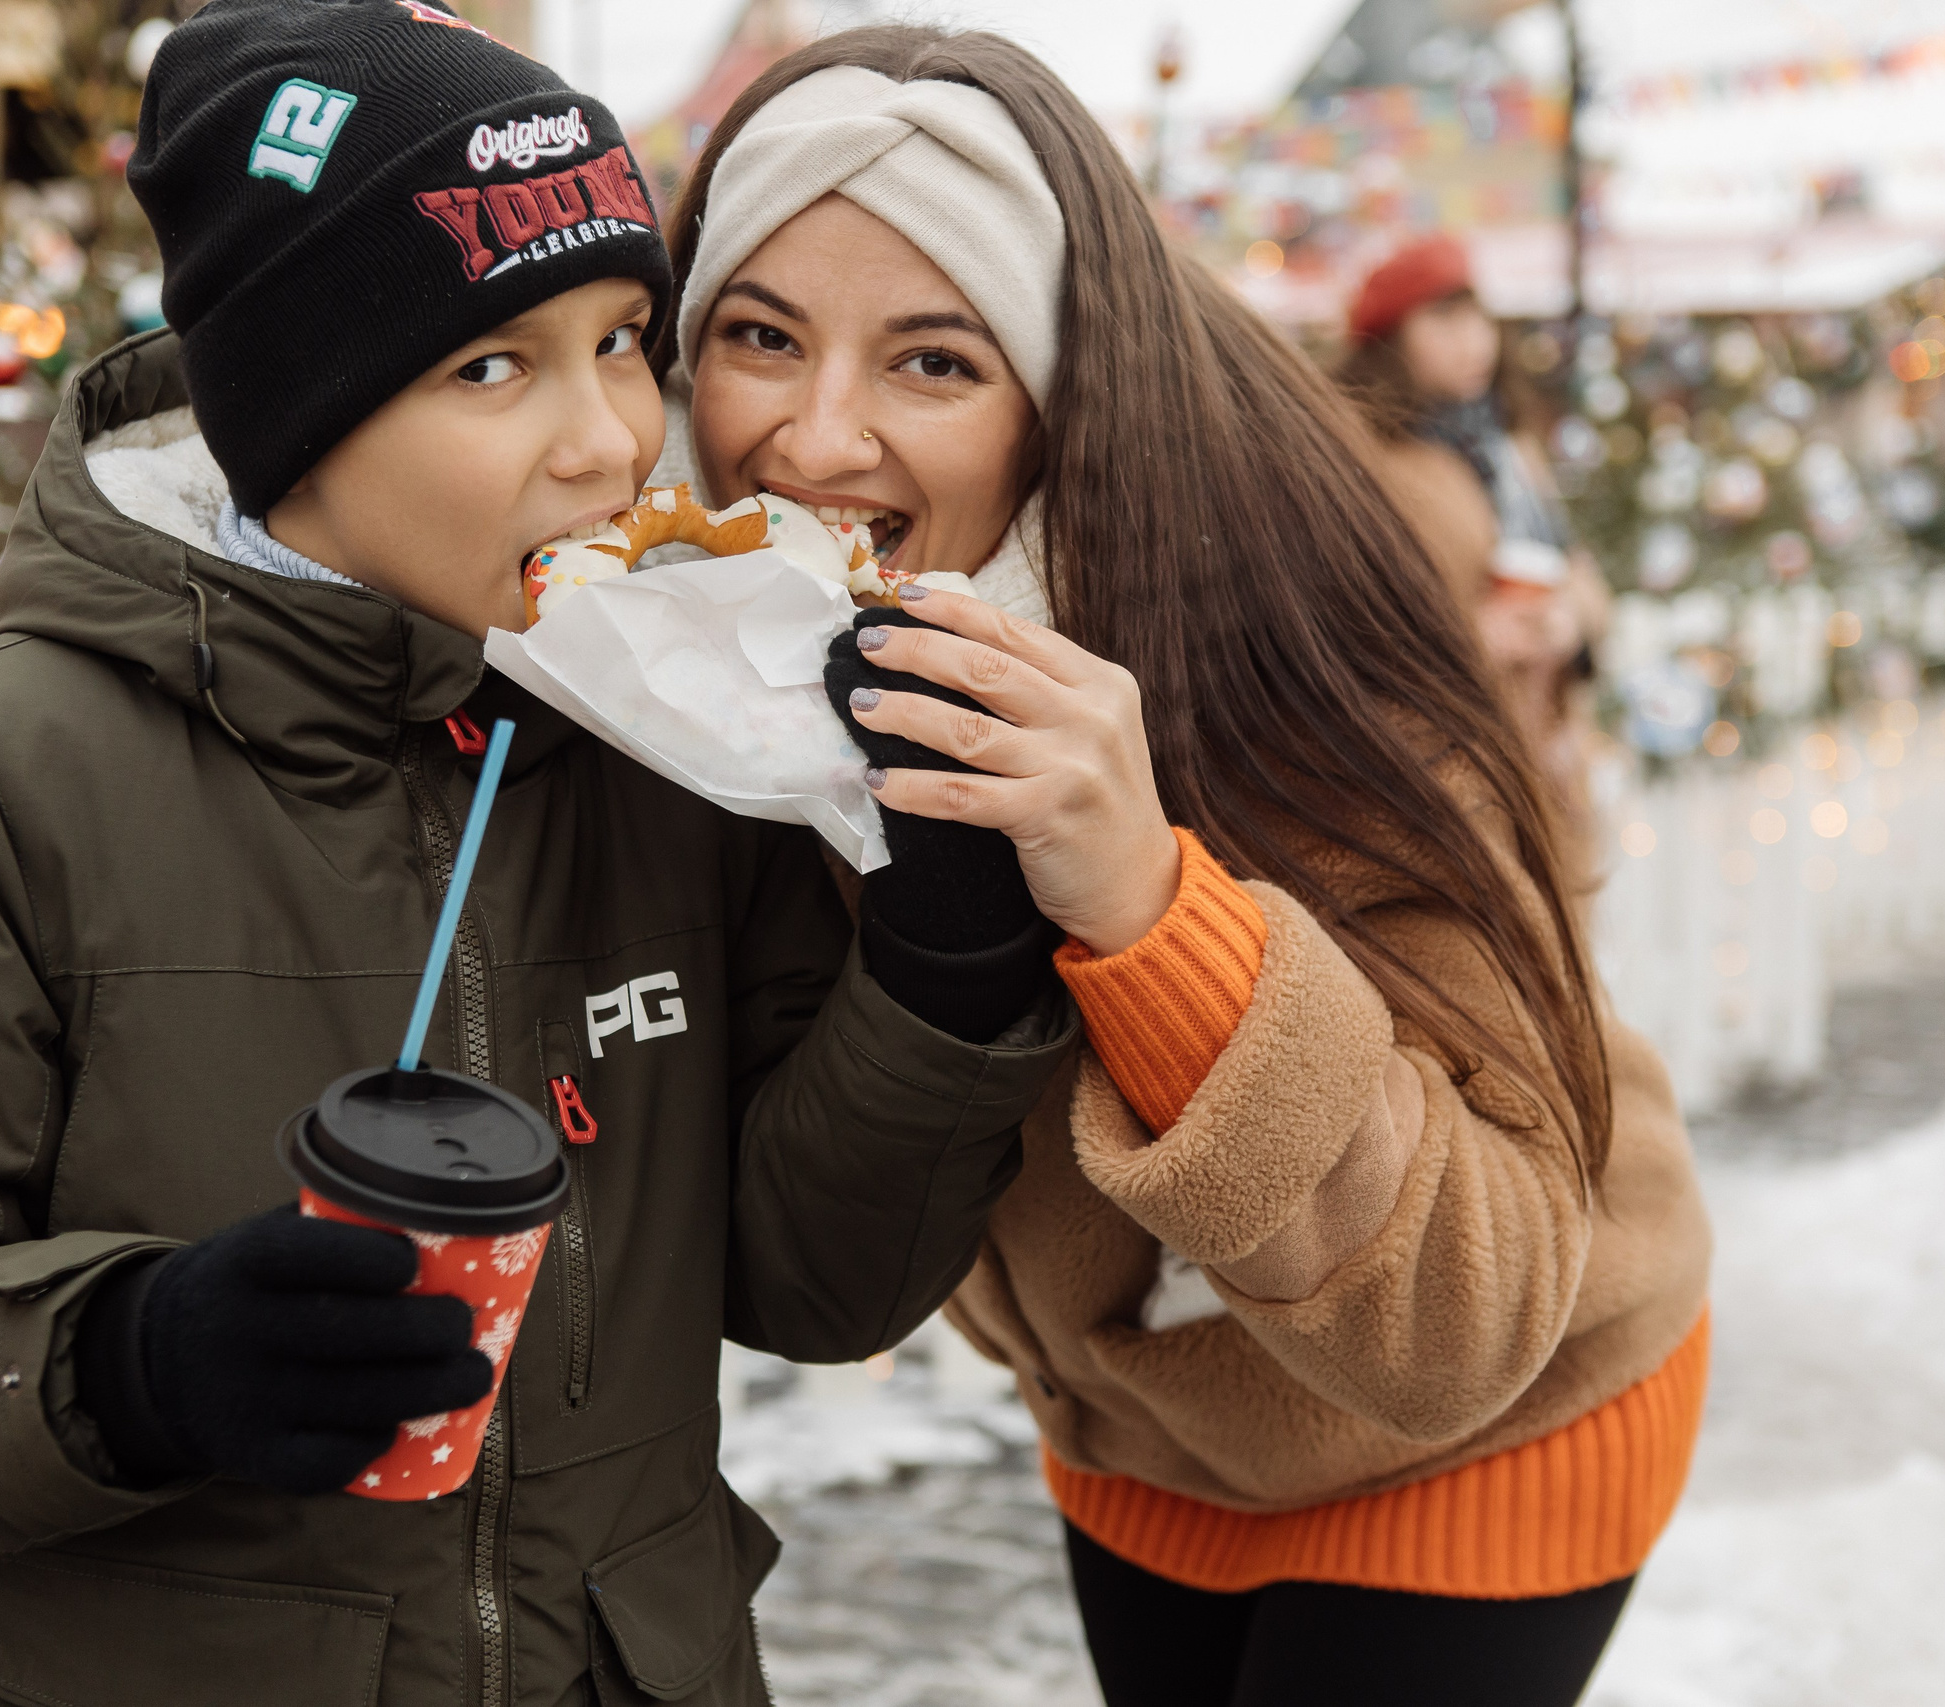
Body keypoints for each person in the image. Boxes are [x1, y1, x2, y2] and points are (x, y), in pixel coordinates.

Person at [0, 6, 1074, 1704]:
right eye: (492, 368)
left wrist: (941, 967)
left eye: (625, 340)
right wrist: (132, 1361)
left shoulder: (668, 740)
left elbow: (816, 1281)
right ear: (297, 413)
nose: (610, 442)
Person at [658, 28, 1711, 1707]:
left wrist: (1153, 910)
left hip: (1488, 1432)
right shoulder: (704, 662)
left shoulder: (1286, 651)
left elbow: (1471, 1305)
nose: (816, 436)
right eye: (760, 336)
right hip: (1145, 1433)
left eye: (936, 361)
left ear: (1064, 396)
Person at [1337, 236, 1609, 827]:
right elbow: (1346, 628)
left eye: (1477, 316)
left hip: (1541, 752)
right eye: (1444, 319)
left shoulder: (1507, 446)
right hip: (1440, 776)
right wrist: (1476, 639)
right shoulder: (1369, 463)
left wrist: (1568, 622)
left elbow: (1584, 580)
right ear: (1391, 340)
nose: (1474, 340)